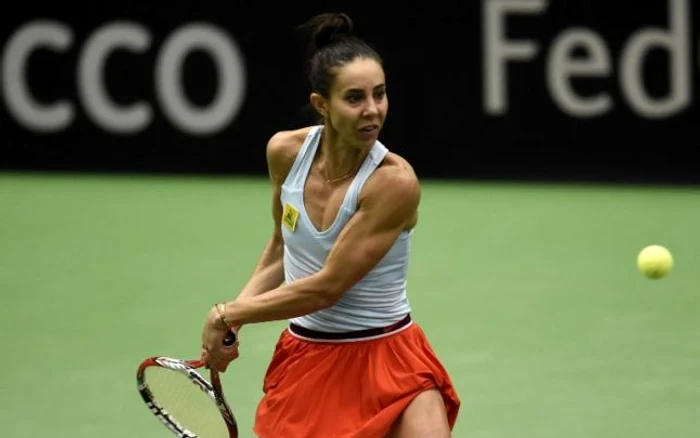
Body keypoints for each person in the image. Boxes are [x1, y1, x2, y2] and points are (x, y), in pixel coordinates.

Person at [201, 12, 461, 438]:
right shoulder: (285, 153)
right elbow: (283, 247)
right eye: (355, 98)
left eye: (380, 94)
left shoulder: (393, 183)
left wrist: (227, 312)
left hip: (391, 363)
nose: (373, 110)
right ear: (322, 104)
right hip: (308, 361)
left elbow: (327, 288)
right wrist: (234, 321)